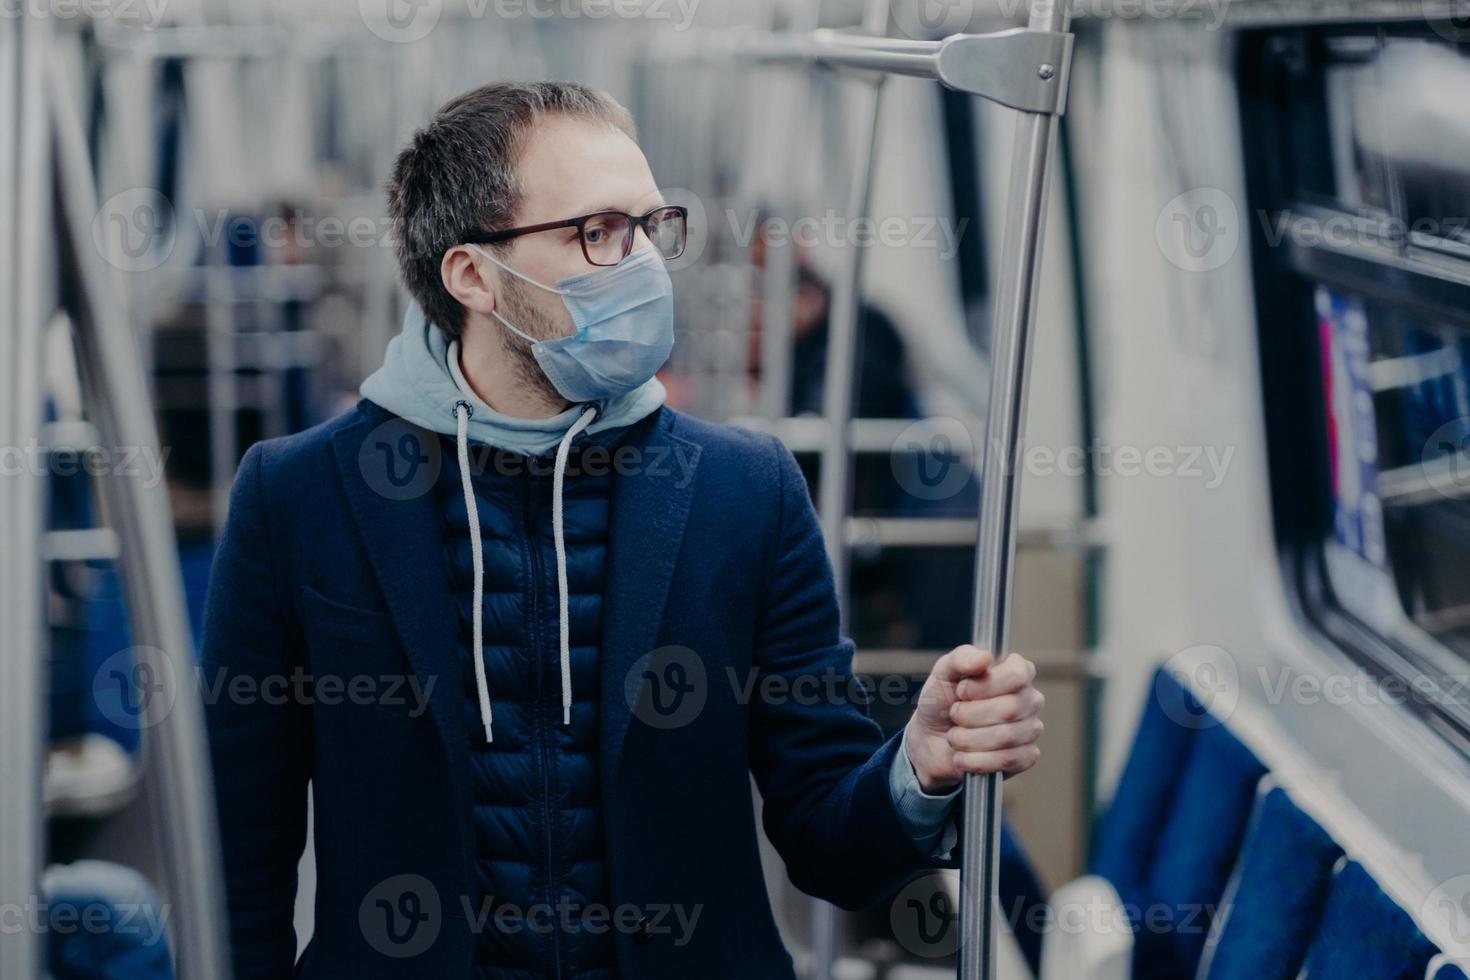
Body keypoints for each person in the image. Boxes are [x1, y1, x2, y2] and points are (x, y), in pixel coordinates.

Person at [201, 80, 1044, 979]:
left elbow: (829, 843)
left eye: (651, 226)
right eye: (597, 232)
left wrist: (918, 766)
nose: (643, 262)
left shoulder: (744, 492)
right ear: (474, 275)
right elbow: (234, 863)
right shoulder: (300, 498)